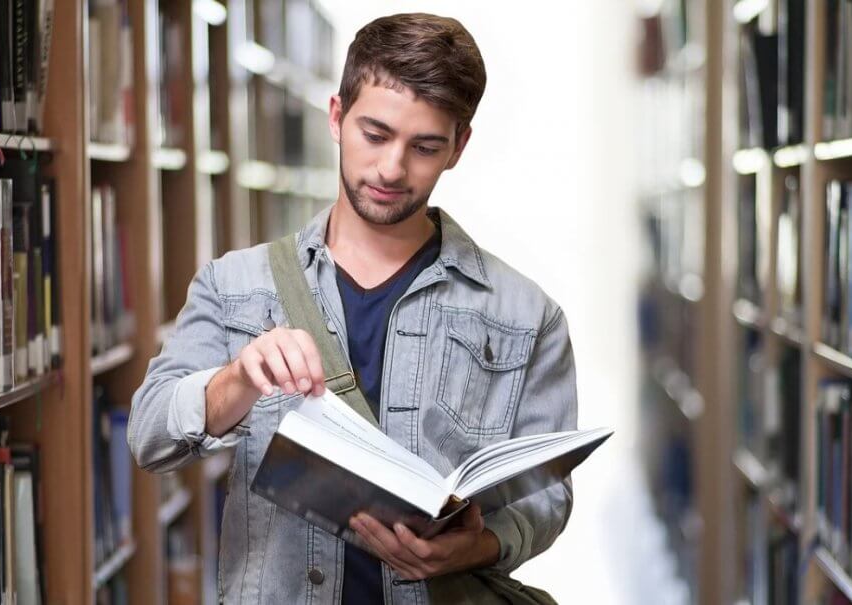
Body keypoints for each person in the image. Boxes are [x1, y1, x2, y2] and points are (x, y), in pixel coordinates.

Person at [128, 12, 577, 604]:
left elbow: (547, 497)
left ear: (459, 147)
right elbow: (149, 435)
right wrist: (236, 378)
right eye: (375, 134)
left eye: (425, 147)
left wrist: (478, 545)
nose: (392, 169)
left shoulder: (527, 315)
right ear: (337, 117)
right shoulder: (235, 284)